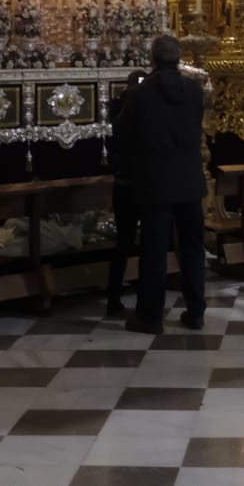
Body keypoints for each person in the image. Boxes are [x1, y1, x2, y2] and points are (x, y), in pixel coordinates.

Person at [113, 34, 207, 335]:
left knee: (154, 250)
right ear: (178, 59)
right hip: (190, 181)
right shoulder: (195, 92)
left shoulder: (139, 95)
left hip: (155, 182)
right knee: (192, 248)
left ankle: (150, 317)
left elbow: (123, 134)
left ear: (152, 59)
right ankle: (196, 312)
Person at [105, 69, 148, 318]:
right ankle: (142, 295)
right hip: (140, 183)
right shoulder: (139, 112)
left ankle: (114, 298)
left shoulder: (119, 111)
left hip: (123, 183)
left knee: (124, 242)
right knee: (143, 242)